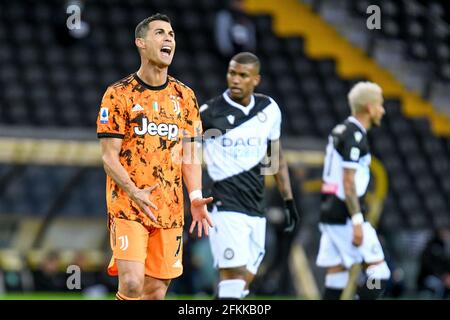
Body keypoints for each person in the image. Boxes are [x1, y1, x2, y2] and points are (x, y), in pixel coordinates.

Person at [96, 13, 213, 300]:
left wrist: (195, 196)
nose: (169, 39)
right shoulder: (118, 94)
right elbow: (109, 158)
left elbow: (190, 154)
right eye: (160, 33)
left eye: (172, 34)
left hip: (170, 209)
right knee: (133, 283)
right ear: (141, 43)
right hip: (128, 205)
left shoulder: (185, 96)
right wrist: (134, 192)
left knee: (156, 292)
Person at [200, 52, 299, 299]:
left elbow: (275, 159)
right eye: (232, 73)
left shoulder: (269, 109)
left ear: (256, 79)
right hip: (224, 205)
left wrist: (288, 200)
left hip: (256, 208)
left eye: (243, 75)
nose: (235, 79)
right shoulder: (209, 113)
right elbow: (185, 156)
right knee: (233, 274)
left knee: (244, 281)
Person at [316, 81, 391, 300]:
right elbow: (347, 182)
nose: (382, 110)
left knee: (336, 274)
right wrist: (357, 220)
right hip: (346, 215)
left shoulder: (340, 129)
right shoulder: (355, 136)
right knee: (379, 272)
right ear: (369, 107)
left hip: (330, 212)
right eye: (380, 105)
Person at [417, 228, 450, 299]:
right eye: (444, 231)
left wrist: (447, 275)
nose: (446, 234)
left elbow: (447, 264)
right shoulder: (429, 246)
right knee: (438, 285)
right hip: (428, 277)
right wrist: (442, 277)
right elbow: (428, 266)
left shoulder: (444, 246)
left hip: (443, 277)